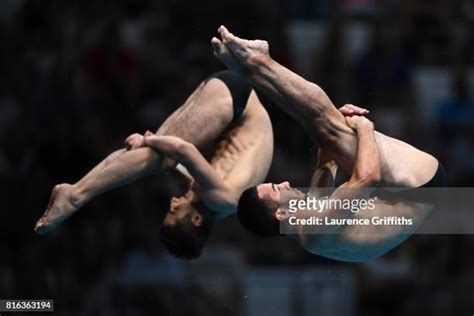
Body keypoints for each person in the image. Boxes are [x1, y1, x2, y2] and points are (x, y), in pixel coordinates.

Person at [212, 26, 446, 262]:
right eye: (277, 189)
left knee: (325, 131)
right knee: (329, 127)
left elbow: (327, 160)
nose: (284, 183)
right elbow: (368, 178)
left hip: (406, 192)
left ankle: (251, 70)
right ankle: (258, 62)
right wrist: (363, 127)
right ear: (281, 213)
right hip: (419, 187)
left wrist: (337, 127)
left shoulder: (307, 225)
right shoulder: (316, 229)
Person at [34, 71, 274, 259]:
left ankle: (77, 193)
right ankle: (76, 195)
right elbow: (184, 150)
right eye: (174, 211)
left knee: (160, 158)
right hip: (236, 101)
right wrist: (148, 139)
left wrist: (157, 145)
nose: (172, 202)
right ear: (196, 220)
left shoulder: (218, 204)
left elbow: (183, 166)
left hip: (234, 100)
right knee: (160, 156)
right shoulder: (223, 199)